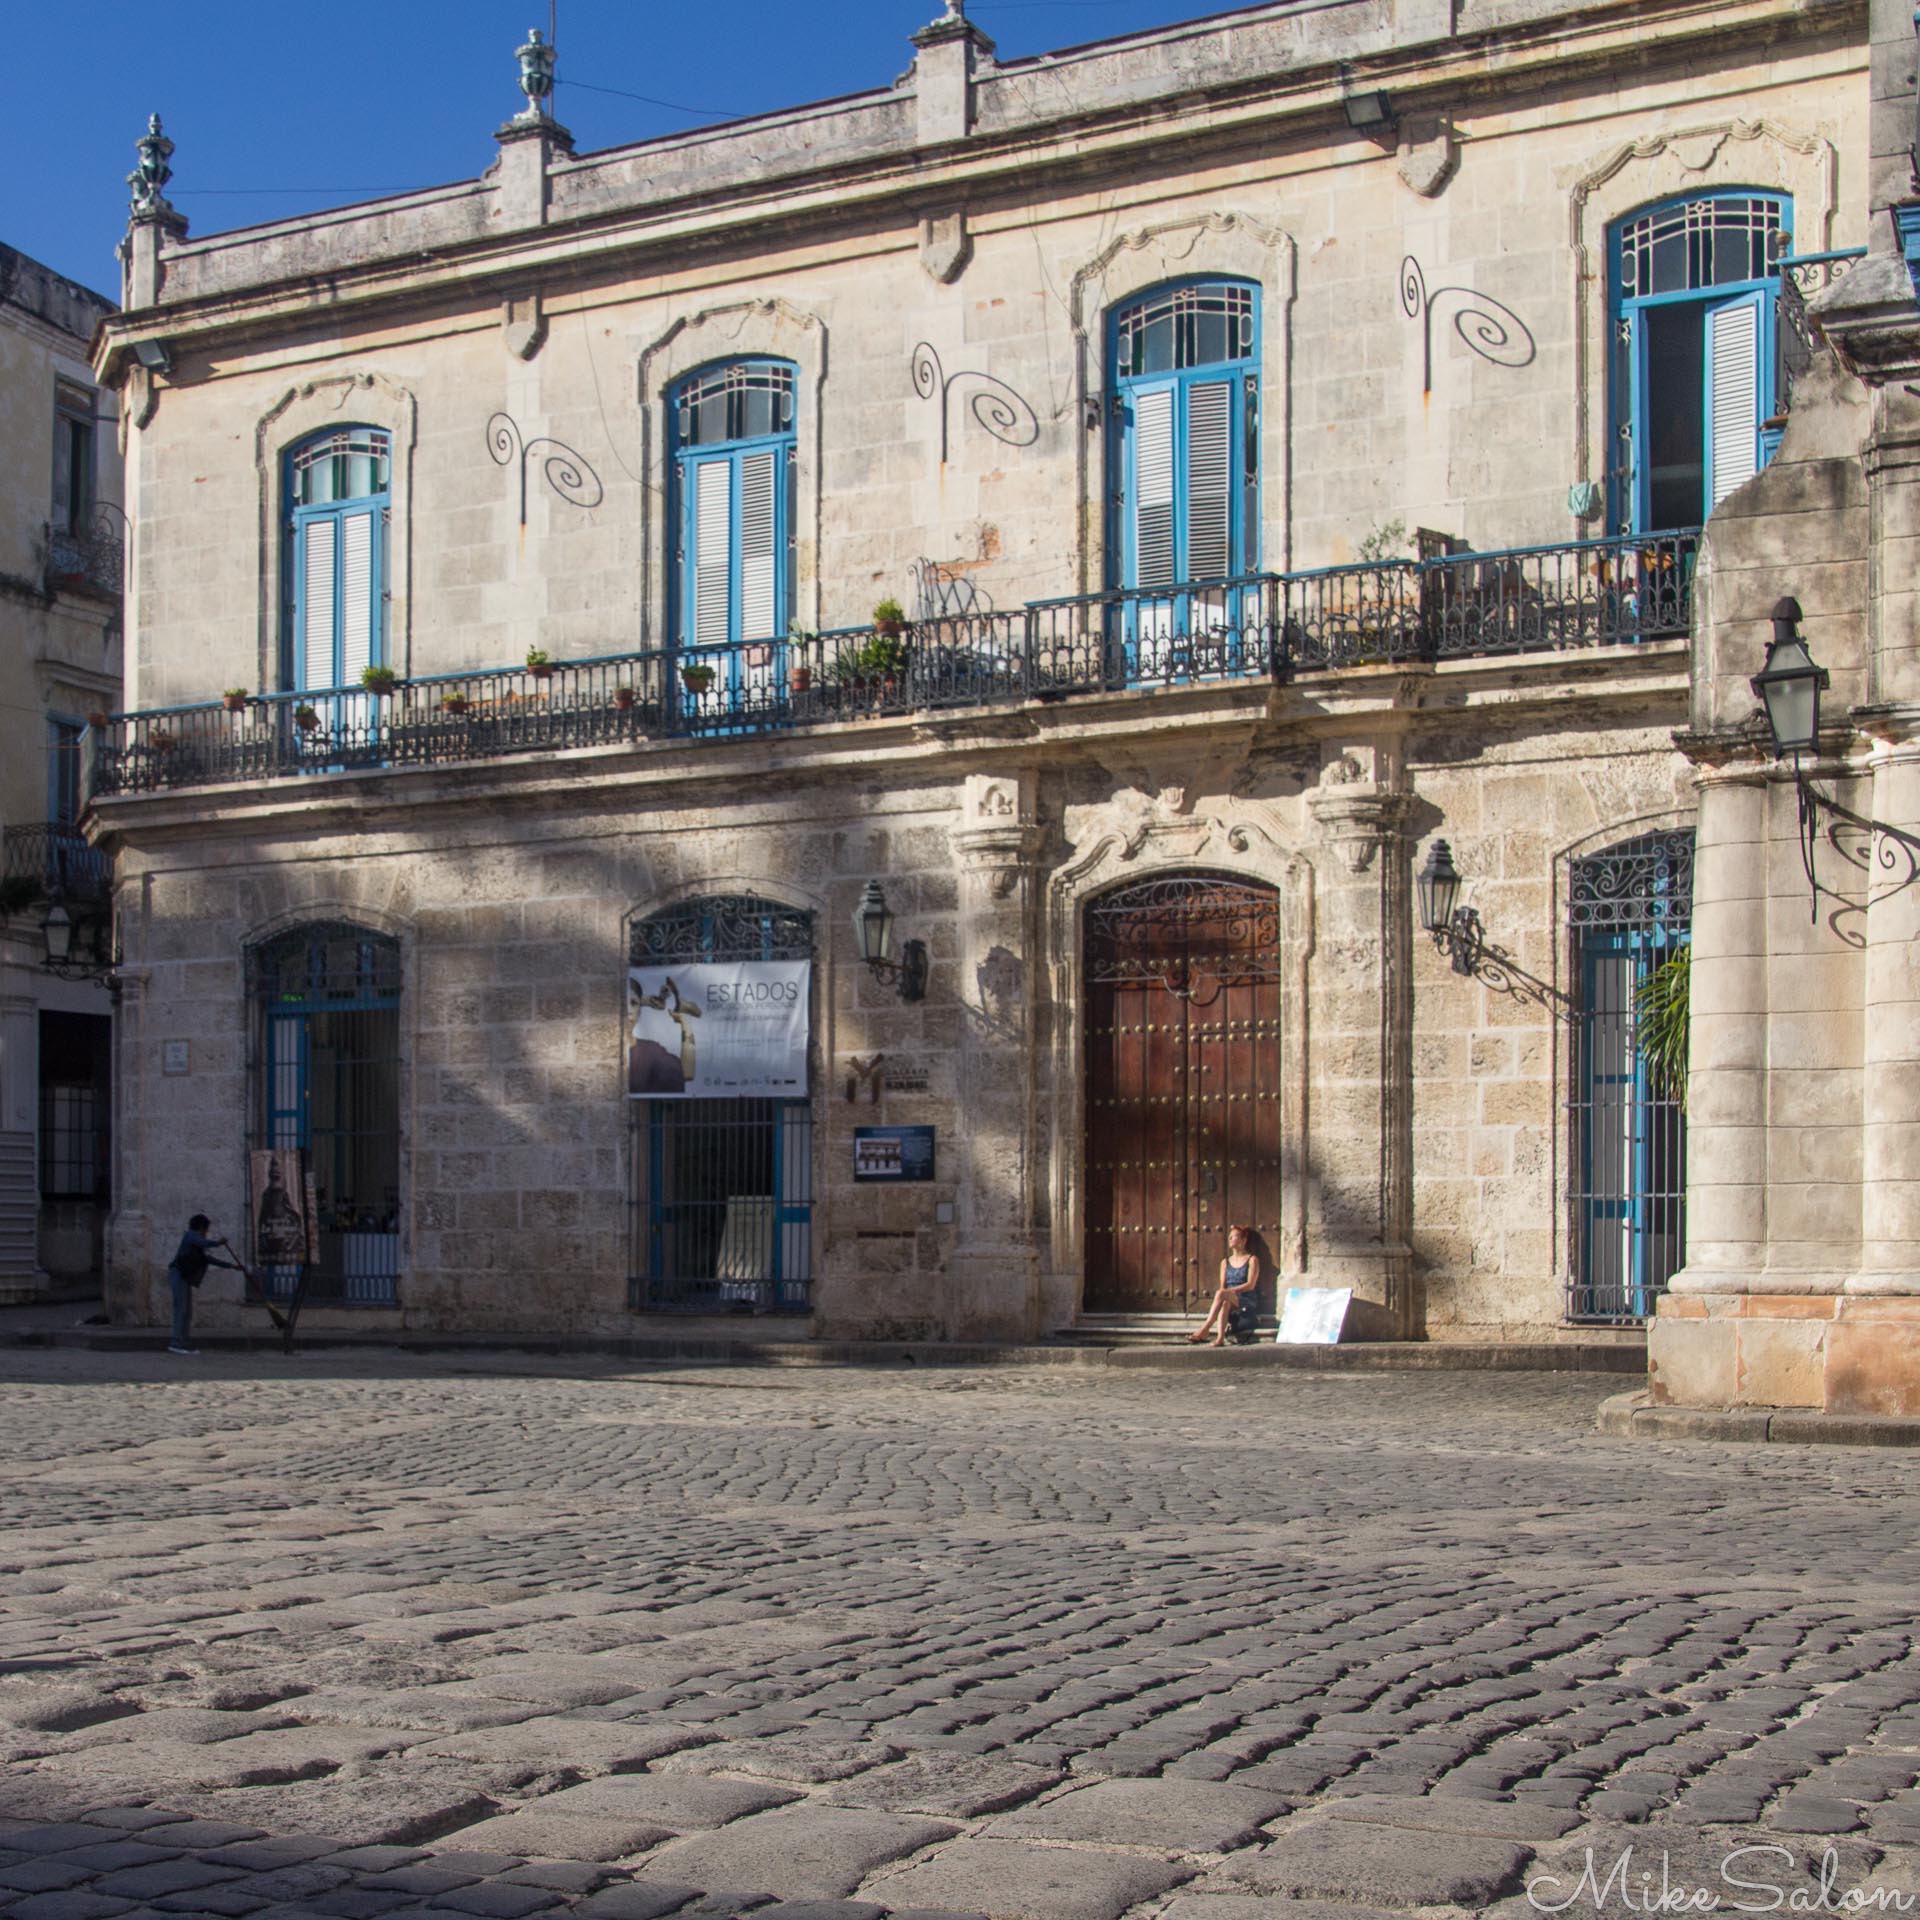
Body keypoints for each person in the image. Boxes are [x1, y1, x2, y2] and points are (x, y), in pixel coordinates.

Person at [166, 1213, 241, 1355]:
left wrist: (231, 1266)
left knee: (187, 1311)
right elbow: (204, 1243)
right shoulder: (191, 1236)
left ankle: (184, 1342)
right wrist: (218, 1243)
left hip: (184, 1277)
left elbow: (209, 1259)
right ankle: (176, 1343)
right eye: (206, 1230)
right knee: (181, 1309)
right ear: (201, 1227)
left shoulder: (197, 1241)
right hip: (178, 1275)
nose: (206, 1233)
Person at [1188, 1223, 1262, 1347]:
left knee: (1222, 1293)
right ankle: (1220, 1338)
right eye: (1229, 1237)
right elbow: (1223, 1285)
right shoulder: (1225, 1262)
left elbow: (1251, 1285)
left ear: (1243, 1240)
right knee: (1224, 1302)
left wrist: (1230, 1291)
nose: (1230, 1239)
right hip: (1229, 1298)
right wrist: (1226, 1293)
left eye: (1234, 1236)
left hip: (1246, 1299)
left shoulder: (1252, 1259)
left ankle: (1205, 1328)